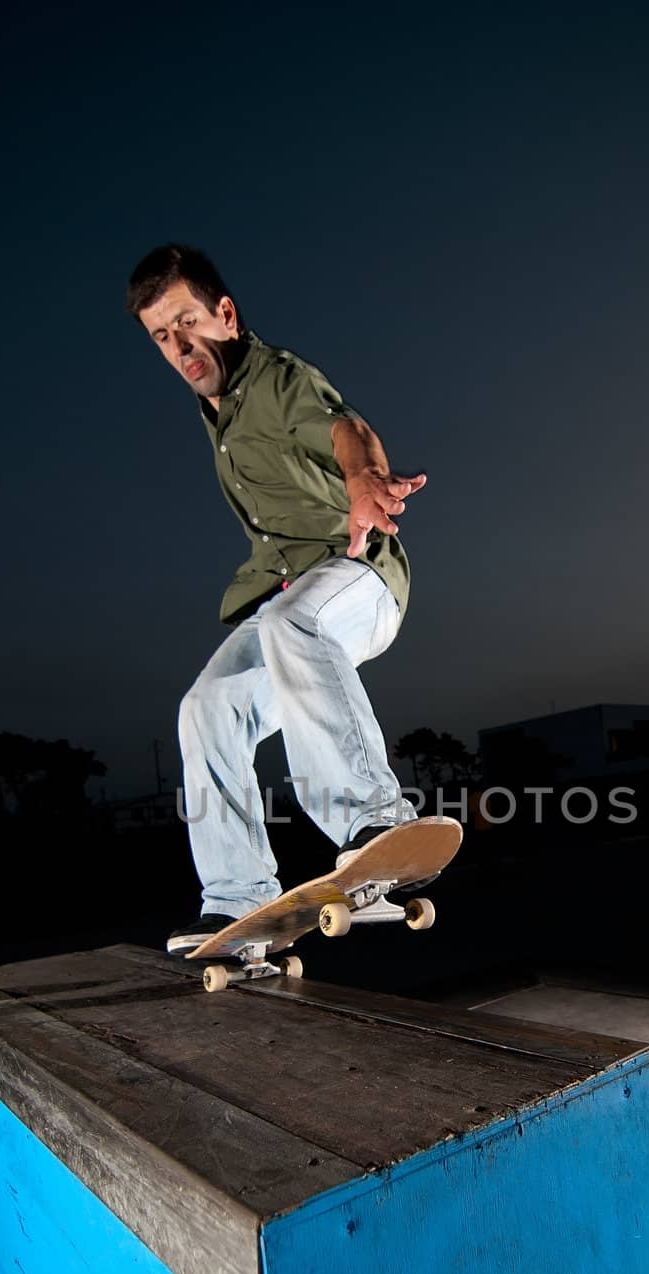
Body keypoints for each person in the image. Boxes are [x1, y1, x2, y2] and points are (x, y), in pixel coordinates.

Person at [125, 244, 427, 953]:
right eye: (162, 337)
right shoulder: (219, 410)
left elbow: (345, 428)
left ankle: (376, 822)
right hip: (293, 590)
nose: (181, 348)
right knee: (208, 708)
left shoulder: (272, 377)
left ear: (225, 315)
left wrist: (363, 482)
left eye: (189, 323)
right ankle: (237, 898)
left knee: (295, 621)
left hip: (358, 573)